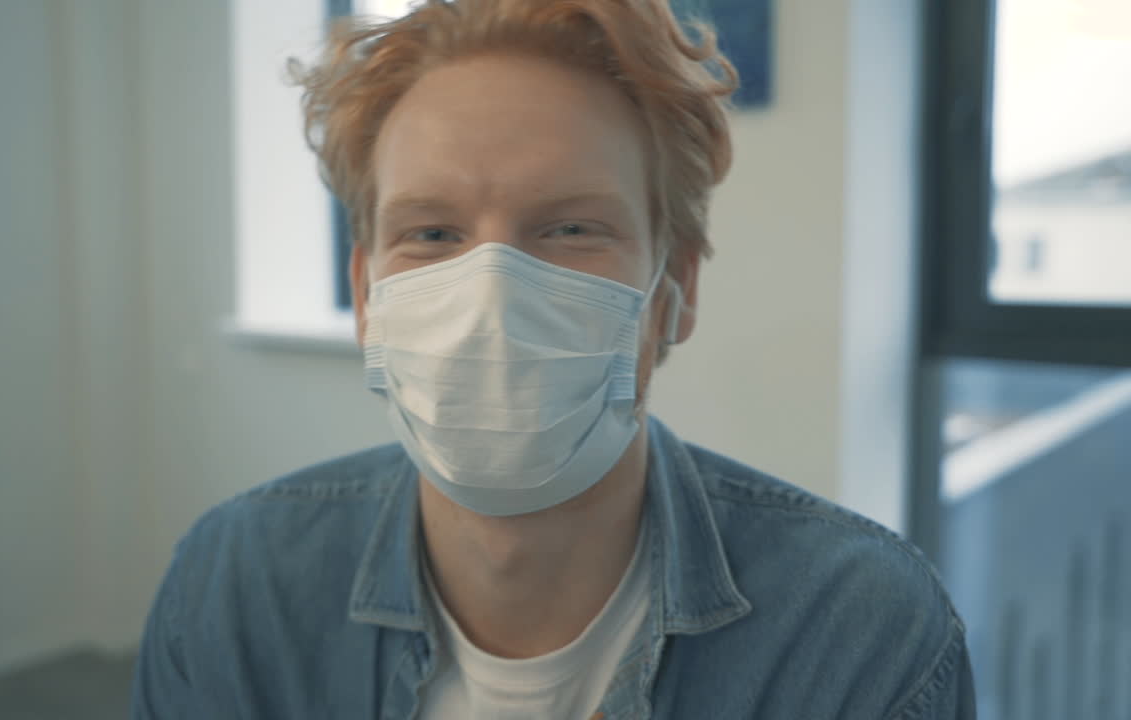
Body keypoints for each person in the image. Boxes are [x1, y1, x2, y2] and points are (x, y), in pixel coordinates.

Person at [131, 0, 976, 717]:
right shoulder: (234, 590)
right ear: (365, 294)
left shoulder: (857, 631)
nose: (492, 297)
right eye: (432, 234)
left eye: (571, 229)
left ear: (673, 290)